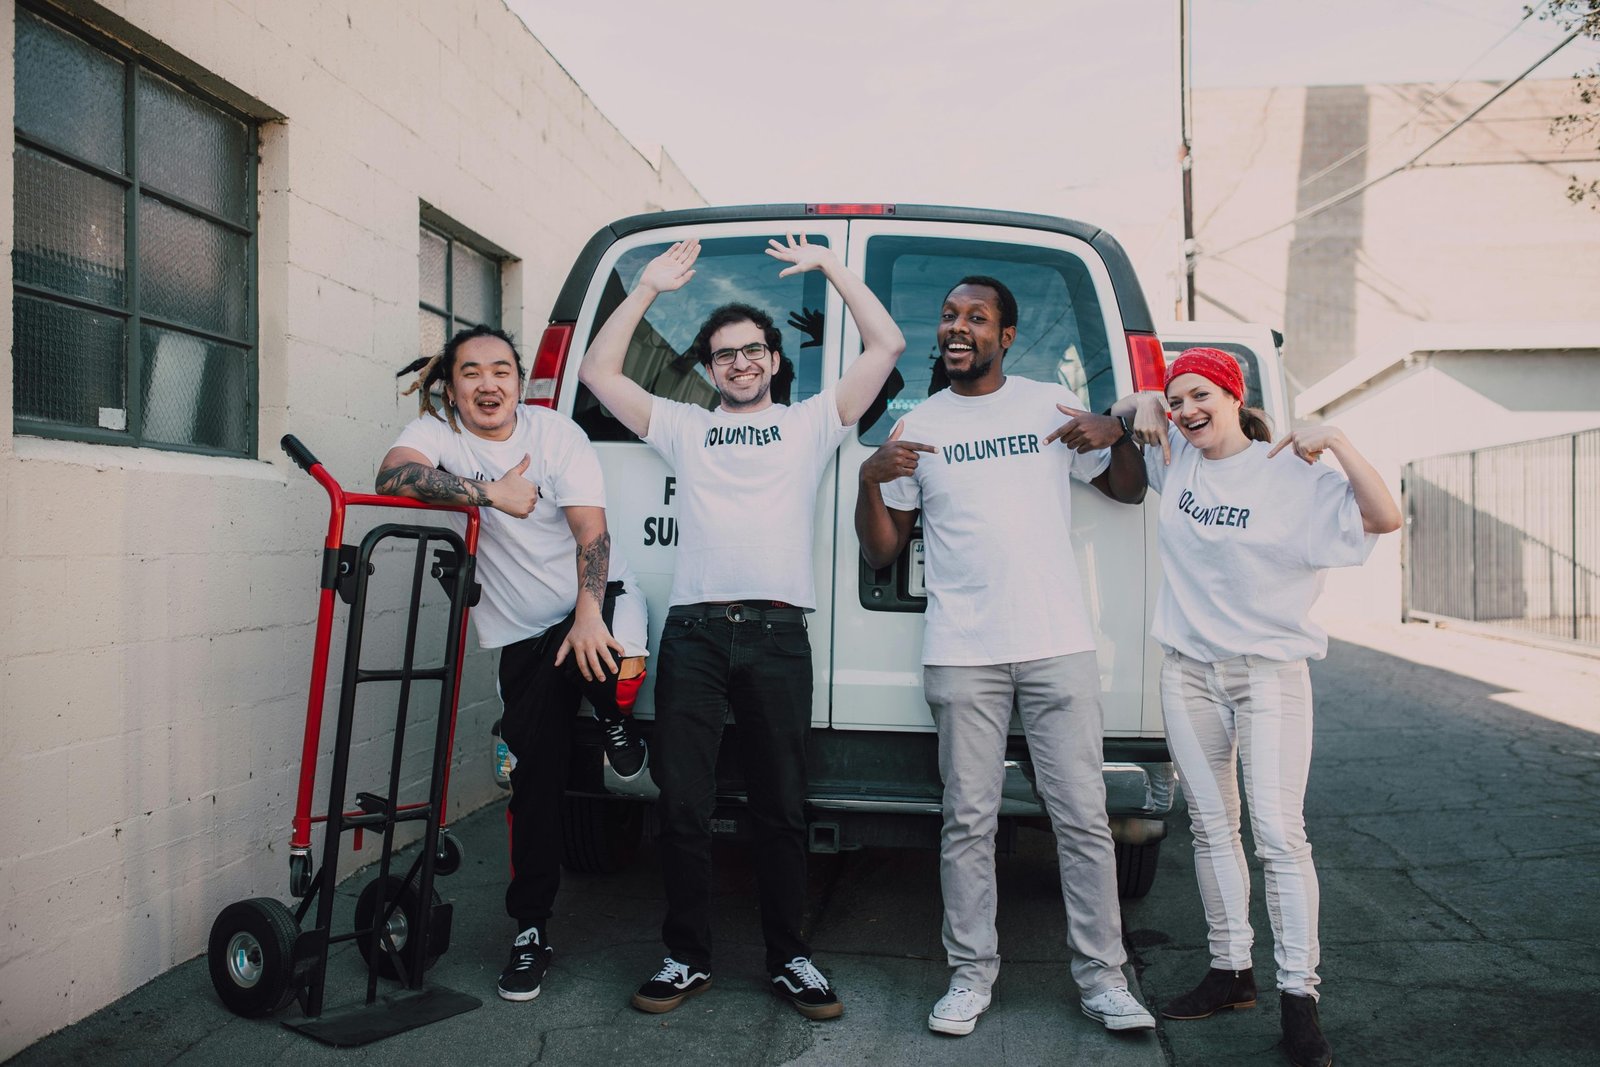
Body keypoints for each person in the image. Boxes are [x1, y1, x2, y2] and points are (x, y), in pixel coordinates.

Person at [577, 235, 905, 1020]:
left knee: (781, 805)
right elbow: (596, 372)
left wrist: (831, 269)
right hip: (694, 634)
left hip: (777, 635)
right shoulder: (684, 426)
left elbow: (887, 343)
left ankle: (790, 956)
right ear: (710, 367)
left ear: (773, 359)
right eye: (724, 354)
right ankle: (686, 957)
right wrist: (648, 287)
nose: (740, 363)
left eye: (753, 350)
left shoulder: (810, 423)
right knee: (683, 805)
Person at [855, 275, 1158, 1038]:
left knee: (1084, 819)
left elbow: (1126, 493)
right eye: (950, 316)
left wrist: (1116, 433)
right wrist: (869, 479)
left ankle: (1103, 979)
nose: (958, 327)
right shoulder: (917, 425)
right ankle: (969, 975)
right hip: (963, 651)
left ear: (1006, 335)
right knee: (967, 820)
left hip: (1057, 642)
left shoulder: (1041, 406)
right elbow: (882, 546)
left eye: (976, 317)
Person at [1112, 347, 1401, 1067]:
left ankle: (1299, 998)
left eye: (1199, 395)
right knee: (1211, 828)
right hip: (1186, 671)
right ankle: (1229, 970)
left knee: (1277, 834)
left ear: (1234, 396)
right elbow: (1121, 408)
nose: (1186, 412)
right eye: (1178, 401)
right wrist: (1144, 402)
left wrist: (1336, 438)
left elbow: (1386, 516)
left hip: (1268, 674)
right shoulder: (1173, 454)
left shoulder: (1290, 472)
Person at [379, 324, 650, 1004]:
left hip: (594, 604)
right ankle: (530, 928)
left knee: (601, 648)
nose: (489, 383)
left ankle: (615, 718)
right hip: (525, 639)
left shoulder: (555, 433)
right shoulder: (442, 435)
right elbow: (392, 476)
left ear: (520, 380)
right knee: (536, 784)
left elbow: (593, 531)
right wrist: (487, 492)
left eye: (502, 369)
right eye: (472, 371)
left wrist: (588, 613)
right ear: (452, 383)